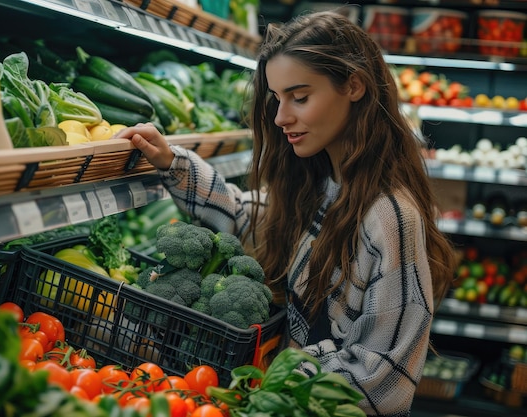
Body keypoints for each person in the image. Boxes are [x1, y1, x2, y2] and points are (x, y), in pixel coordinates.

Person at [114, 10, 457, 416]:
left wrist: (275, 380)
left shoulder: (390, 217)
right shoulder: (325, 183)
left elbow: (384, 375)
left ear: (354, 85)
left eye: (300, 97)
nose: (281, 118)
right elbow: (251, 219)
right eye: (277, 99)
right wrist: (173, 162)